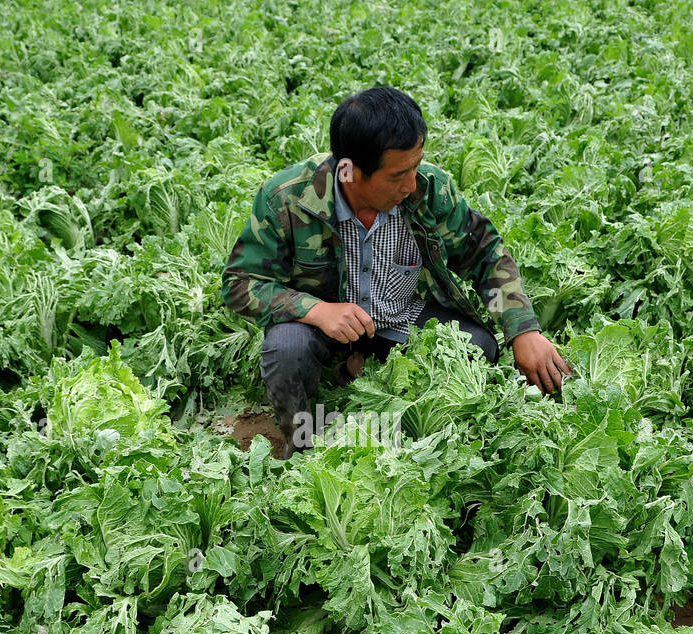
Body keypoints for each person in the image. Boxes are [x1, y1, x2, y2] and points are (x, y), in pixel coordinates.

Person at [222, 85, 573, 458]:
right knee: (286, 347)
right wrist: (318, 311)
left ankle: (409, 431)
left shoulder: (428, 190)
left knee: (478, 349)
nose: (410, 184)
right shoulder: (288, 199)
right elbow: (240, 284)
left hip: (399, 313)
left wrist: (523, 330)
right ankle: (306, 445)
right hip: (322, 328)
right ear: (350, 173)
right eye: (397, 175)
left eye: (415, 166)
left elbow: (485, 254)